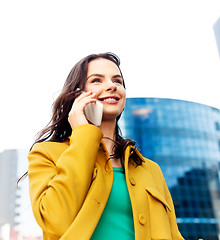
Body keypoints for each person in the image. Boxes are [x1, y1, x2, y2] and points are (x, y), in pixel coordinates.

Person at [27, 52, 184, 240]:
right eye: (96, 80)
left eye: (117, 81)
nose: (112, 86)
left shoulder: (151, 169)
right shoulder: (46, 154)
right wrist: (83, 134)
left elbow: (174, 235)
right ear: (77, 94)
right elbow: (54, 222)